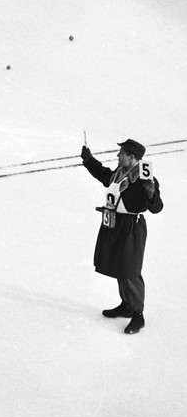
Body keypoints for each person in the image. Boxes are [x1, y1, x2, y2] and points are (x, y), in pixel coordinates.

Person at [81, 138, 163, 335]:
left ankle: (138, 314)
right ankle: (127, 305)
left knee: (130, 270)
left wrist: (151, 195)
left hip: (131, 228)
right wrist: (89, 159)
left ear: (132, 157)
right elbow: (103, 174)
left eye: (121, 154)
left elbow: (157, 208)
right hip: (115, 224)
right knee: (120, 266)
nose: (118, 156)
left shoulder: (145, 179)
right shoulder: (120, 174)